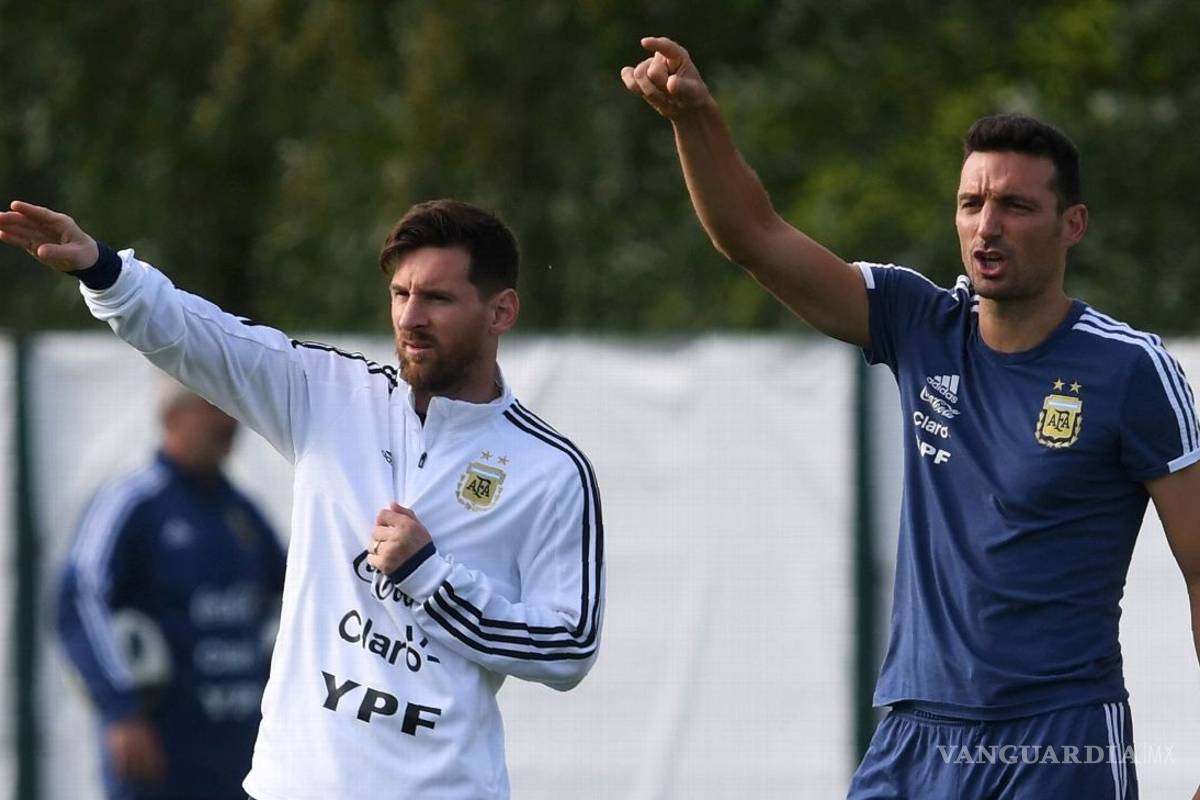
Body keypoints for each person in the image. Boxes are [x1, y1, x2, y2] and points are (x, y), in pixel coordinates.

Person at [622, 37, 1200, 798]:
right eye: (971, 204)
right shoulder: (919, 321)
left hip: (1057, 739)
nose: (987, 226)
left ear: (1074, 224)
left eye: (1016, 206)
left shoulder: (1130, 369)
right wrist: (695, 119)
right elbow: (753, 237)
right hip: (914, 736)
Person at [1, 198, 605, 799]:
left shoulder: (550, 470)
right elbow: (199, 337)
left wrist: (430, 578)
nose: (411, 316)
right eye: (400, 294)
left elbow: (567, 647)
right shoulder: (331, 394)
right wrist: (103, 269)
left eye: (438, 299)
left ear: (501, 311)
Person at [57, 386, 286, 800]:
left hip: (240, 756)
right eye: (213, 408)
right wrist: (121, 709)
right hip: (159, 755)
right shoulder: (133, 502)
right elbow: (80, 601)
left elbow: (296, 599)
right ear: (171, 418)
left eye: (232, 410)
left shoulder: (242, 512)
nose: (228, 422)